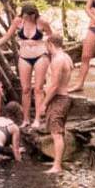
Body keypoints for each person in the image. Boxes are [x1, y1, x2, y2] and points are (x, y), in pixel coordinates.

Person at [0, 3, 51, 127]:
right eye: (27, 16)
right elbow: (7, 35)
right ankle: (26, 119)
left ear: (35, 14)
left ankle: (38, 118)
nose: (29, 18)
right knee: (26, 89)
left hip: (40, 54)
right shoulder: (18, 21)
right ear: (23, 15)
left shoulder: (41, 21)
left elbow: (51, 35)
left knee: (38, 89)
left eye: (31, 16)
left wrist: (51, 50)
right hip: (24, 56)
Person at [42, 33, 74, 174]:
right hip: (63, 98)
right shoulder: (66, 57)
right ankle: (58, 162)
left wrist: (44, 103)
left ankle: (57, 166)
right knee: (59, 131)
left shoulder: (58, 60)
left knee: (56, 133)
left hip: (58, 99)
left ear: (50, 44)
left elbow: (54, 86)